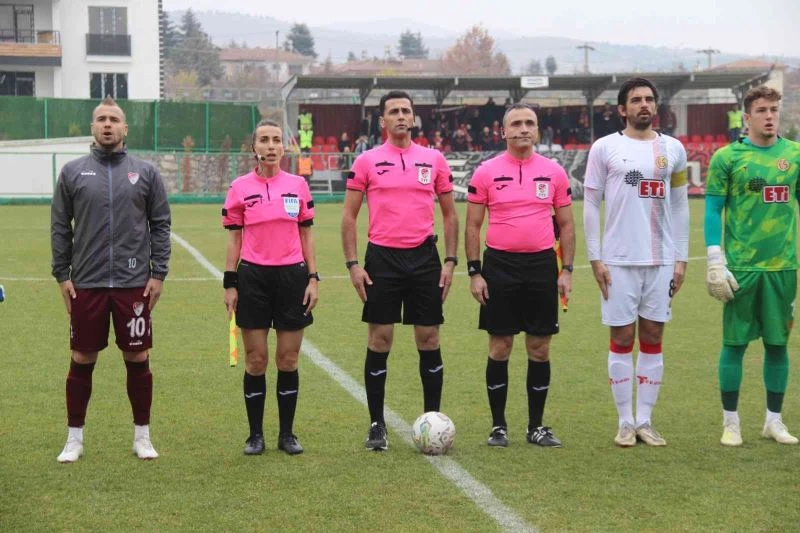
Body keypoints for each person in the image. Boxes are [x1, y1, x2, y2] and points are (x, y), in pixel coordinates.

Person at [51, 96, 171, 463]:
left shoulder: (146, 173)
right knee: (82, 356)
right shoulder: (72, 172)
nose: (107, 125)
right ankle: (74, 439)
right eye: (101, 119)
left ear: (124, 128)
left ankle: (142, 436)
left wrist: (159, 272)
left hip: (134, 282)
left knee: (137, 355)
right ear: (92, 127)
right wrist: (62, 275)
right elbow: (60, 227)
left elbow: (160, 225)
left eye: (114, 119)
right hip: (86, 283)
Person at [341, 90, 459, 451]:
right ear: (382, 121)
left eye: (406, 111)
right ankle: (376, 425)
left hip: (424, 258)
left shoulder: (433, 159)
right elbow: (349, 216)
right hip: (382, 259)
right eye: (394, 111)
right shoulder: (367, 161)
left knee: (429, 339)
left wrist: (451, 261)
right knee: (380, 340)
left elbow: (451, 215)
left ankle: (432, 421)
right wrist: (353, 265)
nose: (401, 116)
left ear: (414, 117)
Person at [583, 77, 689, 448]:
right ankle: (625, 421)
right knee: (622, 337)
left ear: (656, 106)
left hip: (660, 261)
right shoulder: (605, 148)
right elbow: (591, 205)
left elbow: (679, 204)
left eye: (649, 99)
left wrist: (681, 258)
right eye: (636, 100)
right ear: (622, 109)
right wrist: (595, 257)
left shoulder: (673, 149)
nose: (644, 104)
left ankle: (645, 420)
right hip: (618, 261)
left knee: (654, 337)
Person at [465, 103, 575, 448]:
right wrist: (475, 273)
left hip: (542, 266)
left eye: (529, 123)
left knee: (539, 347)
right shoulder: (485, 172)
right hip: (499, 267)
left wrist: (567, 270)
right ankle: (498, 426)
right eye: (516, 123)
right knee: (500, 346)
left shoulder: (555, 172)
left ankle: (536, 426)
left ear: (538, 131)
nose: (523, 129)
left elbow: (568, 225)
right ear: (503, 131)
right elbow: (472, 225)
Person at [704, 85, 800, 447]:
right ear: (747, 117)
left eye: (774, 109)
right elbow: (713, 209)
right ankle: (731, 422)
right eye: (762, 110)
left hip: (783, 267)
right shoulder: (727, 158)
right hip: (741, 267)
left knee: (778, 345)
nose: (770, 115)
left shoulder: (795, 155)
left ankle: (773, 421)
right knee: (735, 343)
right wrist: (715, 258)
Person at [222, 119, 318, 456]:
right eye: (264, 140)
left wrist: (313, 278)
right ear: (254, 147)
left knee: (288, 359)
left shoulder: (298, 185)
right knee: (256, 359)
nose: (271, 146)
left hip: (292, 277)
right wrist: (230, 283)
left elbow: (307, 234)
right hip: (253, 279)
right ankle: (255, 436)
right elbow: (234, 239)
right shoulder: (239, 188)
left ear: (284, 146)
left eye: (277, 140)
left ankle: (287, 434)